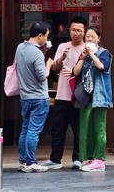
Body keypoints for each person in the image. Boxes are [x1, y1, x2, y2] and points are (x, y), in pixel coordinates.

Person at [44, 15, 86, 170]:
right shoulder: (63, 46)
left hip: (78, 96)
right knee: (57, 128)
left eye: (79, 30)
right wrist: (61, 57)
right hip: (62, 95)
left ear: (84, 31)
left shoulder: (87, 49)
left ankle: (78, 158)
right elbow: (55, 69)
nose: (76, 33)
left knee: (79, 130)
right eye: (73, 30)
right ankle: (55, 159)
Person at [72, 27, 112, 172]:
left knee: (98, 128)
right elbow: (75, 72)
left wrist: (93, 54)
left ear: (98, 38)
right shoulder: (84, 55)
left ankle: (99, 159)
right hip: (85, 97)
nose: (88, 39)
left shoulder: (104, 53)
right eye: (87, 36)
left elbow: (102, 67)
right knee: (85, 129)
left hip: (99, 97)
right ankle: (87, 158)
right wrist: (82, 58)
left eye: (92, 36)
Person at [16, 22, 52, 173]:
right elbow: (42, 76)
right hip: (38, 97)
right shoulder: (37, 53)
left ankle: (23, 161)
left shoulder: (20, 48)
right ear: (40, 35)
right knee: (33, 131)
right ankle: (30, 162)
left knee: (25, 129)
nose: (46, 39)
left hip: (25, 97)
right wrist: (48, 64)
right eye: (46, 36)